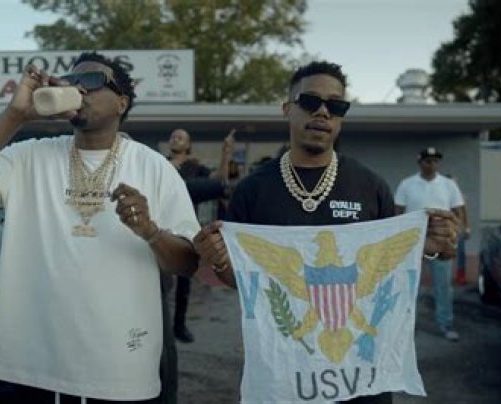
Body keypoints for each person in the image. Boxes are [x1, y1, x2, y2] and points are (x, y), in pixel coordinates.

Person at [0, 52, 200, 403]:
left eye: (91, 80)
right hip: (35, 364)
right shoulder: (28, 156)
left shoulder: (154, 167)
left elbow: (188, 262)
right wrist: (14, 116)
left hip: (118, 368)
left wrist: (150, 231)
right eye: (72, 81)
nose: (78, 88)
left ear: (121, 102)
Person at [193, 61, 459, 404]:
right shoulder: (252, 191)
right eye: (310, 101)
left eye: (335, 105)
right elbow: (245, 279)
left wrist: (430, 246)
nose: (322, 112)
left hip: (362, 380)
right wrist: (218, 261)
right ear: (287, 109)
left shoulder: (370, 186)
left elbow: (387, 272)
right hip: (285, 378)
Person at [167, 127, 235, 343]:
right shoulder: (161, 163)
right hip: (161, 224)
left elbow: (219, 181)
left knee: (184, 279)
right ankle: (160, 325)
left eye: (180, 137)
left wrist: (226, 153)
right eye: (173, 137)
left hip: (185, 226)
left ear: (188, 145)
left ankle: (179, 326)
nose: (175, 139)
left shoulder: (194, 166)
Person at [394, 147, 466, 342]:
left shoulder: (448, 184)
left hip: (440, 242)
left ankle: (446, 324)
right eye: (428, 161)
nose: (432, 164)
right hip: (413, 241)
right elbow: (397, 211)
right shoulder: (407, 184)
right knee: (410, 286)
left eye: (435, 161)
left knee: (443, 286)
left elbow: (459, 210)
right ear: (420, 162)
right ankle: (407, 328)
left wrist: (459, 231)